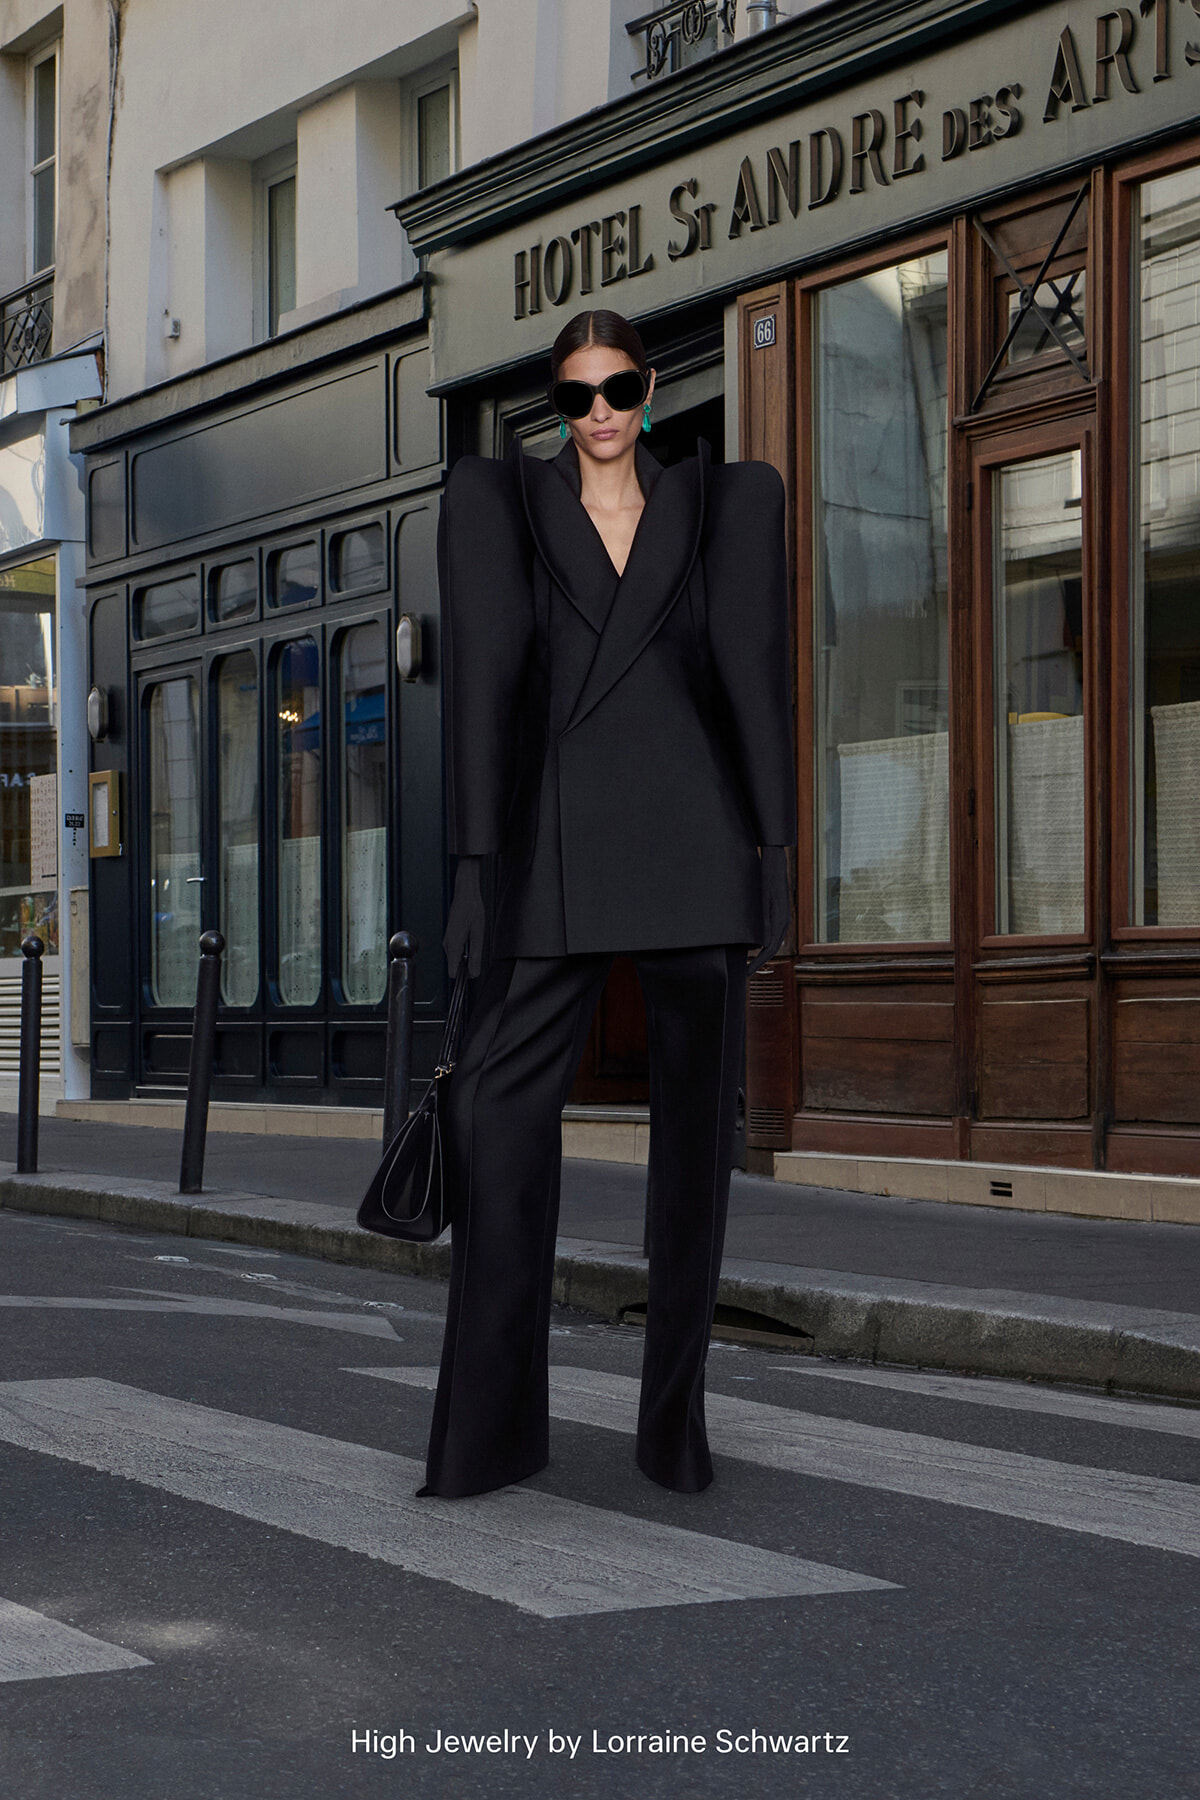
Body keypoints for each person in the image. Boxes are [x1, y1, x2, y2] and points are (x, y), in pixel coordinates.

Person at [421, 308, 795, 1499]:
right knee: (492, 1116)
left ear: (652, 392)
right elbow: (480, 687)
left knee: (698, 1152)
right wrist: (475, 869)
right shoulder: (505, 508)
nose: (599, 416)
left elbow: (753, 677)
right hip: (559, 861)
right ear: (555, 404)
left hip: (692, 847)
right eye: (577, 395)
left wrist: (774, 850)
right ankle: (489, 1436)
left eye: (620, 391)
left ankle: (672, 1427)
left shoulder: (719, 504)